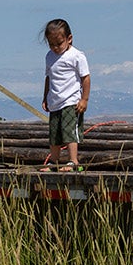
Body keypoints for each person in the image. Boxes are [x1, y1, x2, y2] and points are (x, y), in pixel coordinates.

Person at [40, 18, 90, 171]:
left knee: (69, 131)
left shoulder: (76, 56)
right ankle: (53, 161)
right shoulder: (49, 56)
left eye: (59, 43)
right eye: (51, 44)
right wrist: (45, 97)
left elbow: (85, 78)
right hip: (55, 101)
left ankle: (73, 161)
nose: (55, 47)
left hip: (71, 101)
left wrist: (84, 99)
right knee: (54, 134)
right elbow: (49, 77)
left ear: (69, 39)